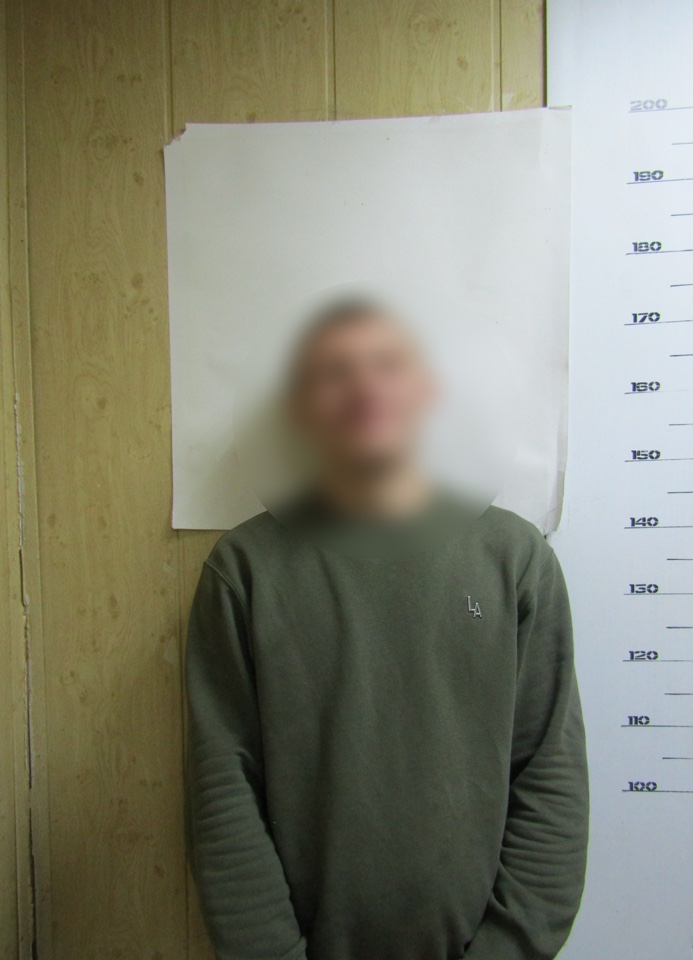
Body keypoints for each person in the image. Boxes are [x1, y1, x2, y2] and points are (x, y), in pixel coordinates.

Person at [185, 297, 589, 960]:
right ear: (301, 408)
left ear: (427, 392)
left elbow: (549, 776)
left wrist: (508, 948)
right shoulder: (245, 570)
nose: (365, 387)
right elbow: (222, 784)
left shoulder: (514, 559)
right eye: (333, 371)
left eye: (389, 364)